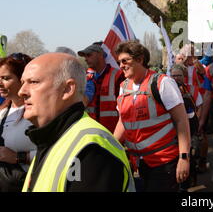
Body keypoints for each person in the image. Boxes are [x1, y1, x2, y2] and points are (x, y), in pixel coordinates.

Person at [19, 53, 134, 192]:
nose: (21, 91)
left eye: (34, 82)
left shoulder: (91, 149)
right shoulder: (51, 137)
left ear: (68, 89)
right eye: (22, 83)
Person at [113, 40, 190, 192]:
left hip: (164, 163)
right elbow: (123, 121)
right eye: (119, 62)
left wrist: (184, 158)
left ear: (140, 59)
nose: (121, 65)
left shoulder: (162, 83)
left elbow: (181, 120)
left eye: (124, 61)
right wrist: (110, 147)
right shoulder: (124, 87)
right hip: (139, 164)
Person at [0, 53, 36, 192]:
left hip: (28, 185)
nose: (0, 82)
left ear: (22, 80)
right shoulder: (3, 111)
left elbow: (56, 152)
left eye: (6, 78)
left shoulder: (39, 113)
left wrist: (19, 157)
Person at [170, 63, 203, 190]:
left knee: (190, 155)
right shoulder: (167, 90)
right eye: (173, 76)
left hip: (191, 127)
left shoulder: (192, 89)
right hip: (174, 130)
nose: (176, 78)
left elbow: (199, 106)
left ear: (184, 76)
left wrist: (198, 122)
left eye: (178, 75)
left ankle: (190, 179)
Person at [78, 43, 124, 133]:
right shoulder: (85, 78)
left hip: (112, 134)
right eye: (84, 56)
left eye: (89, 55)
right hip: (91, 132)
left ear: (100, 55)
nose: (86, 59)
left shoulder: (118, 75)